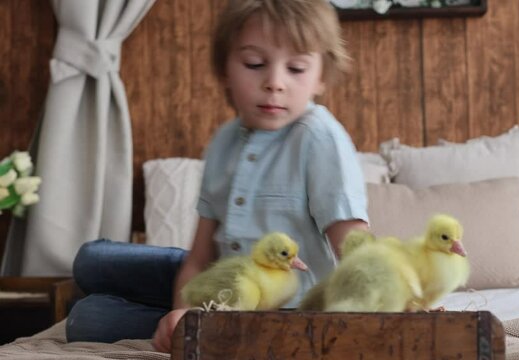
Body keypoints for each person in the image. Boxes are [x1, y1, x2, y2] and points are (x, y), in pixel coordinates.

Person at [66, 0, 369, 353]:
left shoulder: (319, 137)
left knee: (86, 320)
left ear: (320, 77)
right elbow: (199, 258)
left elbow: (354, 248)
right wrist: (182, 312)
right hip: (214, 281)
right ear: (225, 68)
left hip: (274, 312)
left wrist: (387, 302)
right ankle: (166, 313)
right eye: (254, 64)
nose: (275, 83)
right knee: (91, 259)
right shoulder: (224, 140)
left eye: (297, 68)